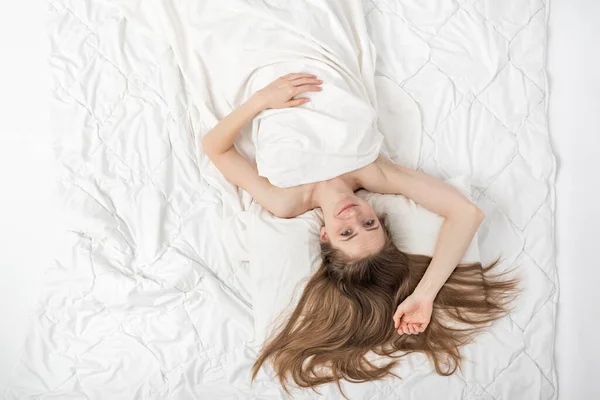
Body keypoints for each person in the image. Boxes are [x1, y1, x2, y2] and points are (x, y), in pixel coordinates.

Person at [201, 73, 519, 395]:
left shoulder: (287, 201)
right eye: (370, 224)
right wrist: (423, 295)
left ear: (324, 237)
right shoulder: (372, 172)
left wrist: (261, 100)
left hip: (264, 73)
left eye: (347, 233)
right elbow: (467, 214)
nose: (353, 215)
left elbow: (215, 147)